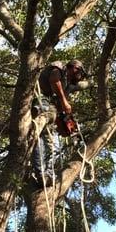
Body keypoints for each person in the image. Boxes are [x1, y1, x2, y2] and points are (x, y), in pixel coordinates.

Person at [32, 59, 88, 187]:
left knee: (54, 145)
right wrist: (64, 101)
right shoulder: (59, 68)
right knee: (40, 139)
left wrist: (65, 122)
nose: (78, 78)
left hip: (52, 110)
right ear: (75, 68)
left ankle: (48, 174)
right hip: (41, 100)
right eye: (78, 74)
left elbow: (59, 104)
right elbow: (54, 81)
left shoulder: (67, 84)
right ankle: (40, 174)